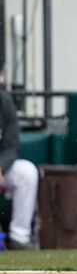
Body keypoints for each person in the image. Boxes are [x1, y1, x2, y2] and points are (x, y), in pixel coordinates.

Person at [0, 87, 38, 250]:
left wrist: (1, 167)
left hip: (1, 169)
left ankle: (19, 238)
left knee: (26, 172)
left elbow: (11, 146)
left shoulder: (4, 101)